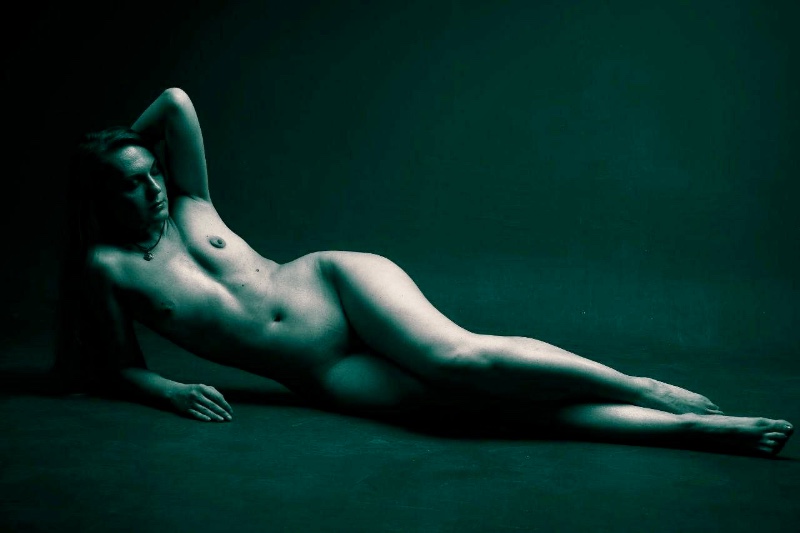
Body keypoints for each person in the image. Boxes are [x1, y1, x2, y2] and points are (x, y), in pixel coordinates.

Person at [53, 87, 793, 458]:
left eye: (151, 171)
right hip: (319, 370)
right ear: (101, 198)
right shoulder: (105, 267)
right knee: (480, 414)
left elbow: (177, 102)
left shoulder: (190, 201)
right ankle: (686, 430)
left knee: (457, 357)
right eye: (131, 184)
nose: (152, 187)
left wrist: (118, 149)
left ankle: (642, 386)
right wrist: (171, 389)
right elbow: (118, 367)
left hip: (333, 286)